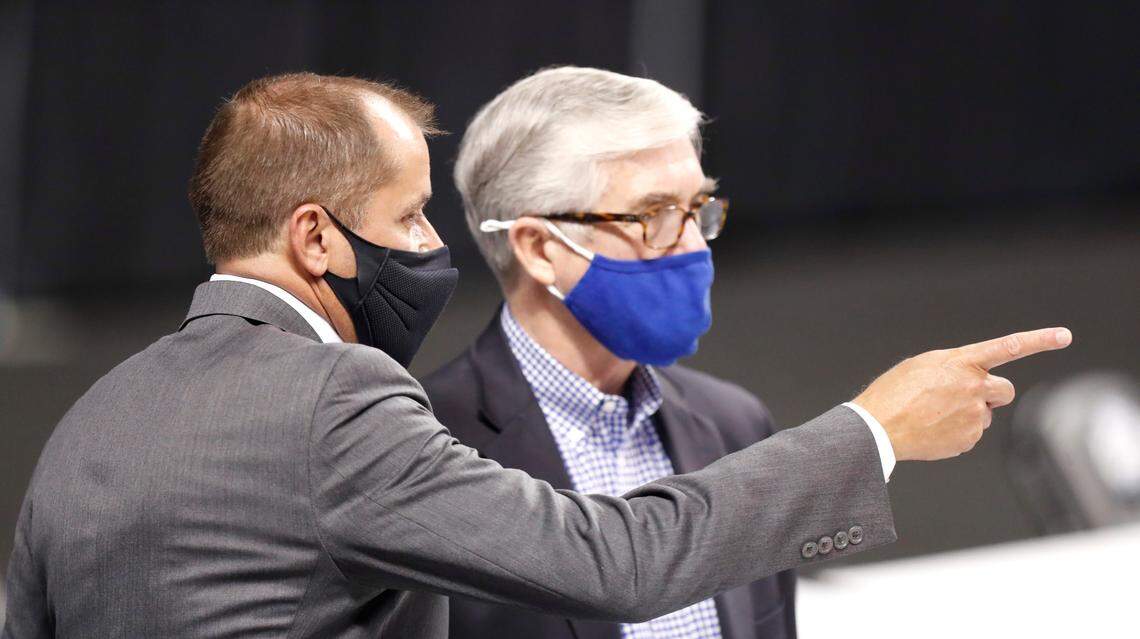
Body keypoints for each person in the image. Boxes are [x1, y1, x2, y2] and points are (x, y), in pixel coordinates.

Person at [2, 72, 1070, 639]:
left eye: (699, 210)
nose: (432, 249)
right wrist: (874, 430)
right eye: (414, 218)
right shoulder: (350, 400)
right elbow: (616, 564)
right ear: (318, 236)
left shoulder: (94, 420)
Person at [425, 66, 798, 639]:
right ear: (541, 248)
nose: (695, 244)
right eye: (655, 215)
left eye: (698, 208)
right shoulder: (423, 452)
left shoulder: (735, 426)